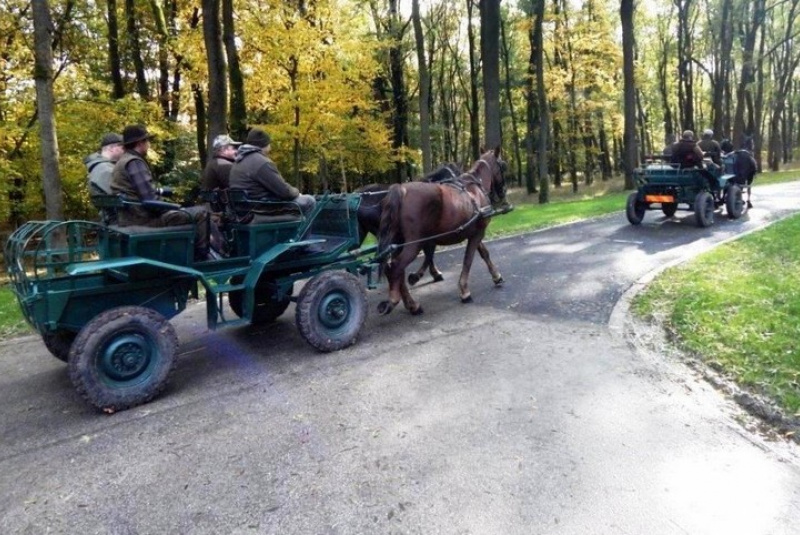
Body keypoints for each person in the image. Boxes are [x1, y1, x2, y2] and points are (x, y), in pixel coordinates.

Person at [110, 124, 223, 261]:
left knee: (191, 211)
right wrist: (174, 209)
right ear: (140, 143)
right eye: (147, 141)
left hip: (130, 216)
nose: (149, 144)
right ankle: (203, 258)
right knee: (201, 213)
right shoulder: (135, 163)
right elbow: (150, 200)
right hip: (144, 219)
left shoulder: (122, 161)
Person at [229, 128, 316, 216]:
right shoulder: (262, 163)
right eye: (269, 143)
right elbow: (285, 192)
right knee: (309, 201)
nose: (270, 147)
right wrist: (297, 193)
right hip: (262, 208)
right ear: (265, 145)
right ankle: (302, 230)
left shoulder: (238, 161)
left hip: (244, 208)